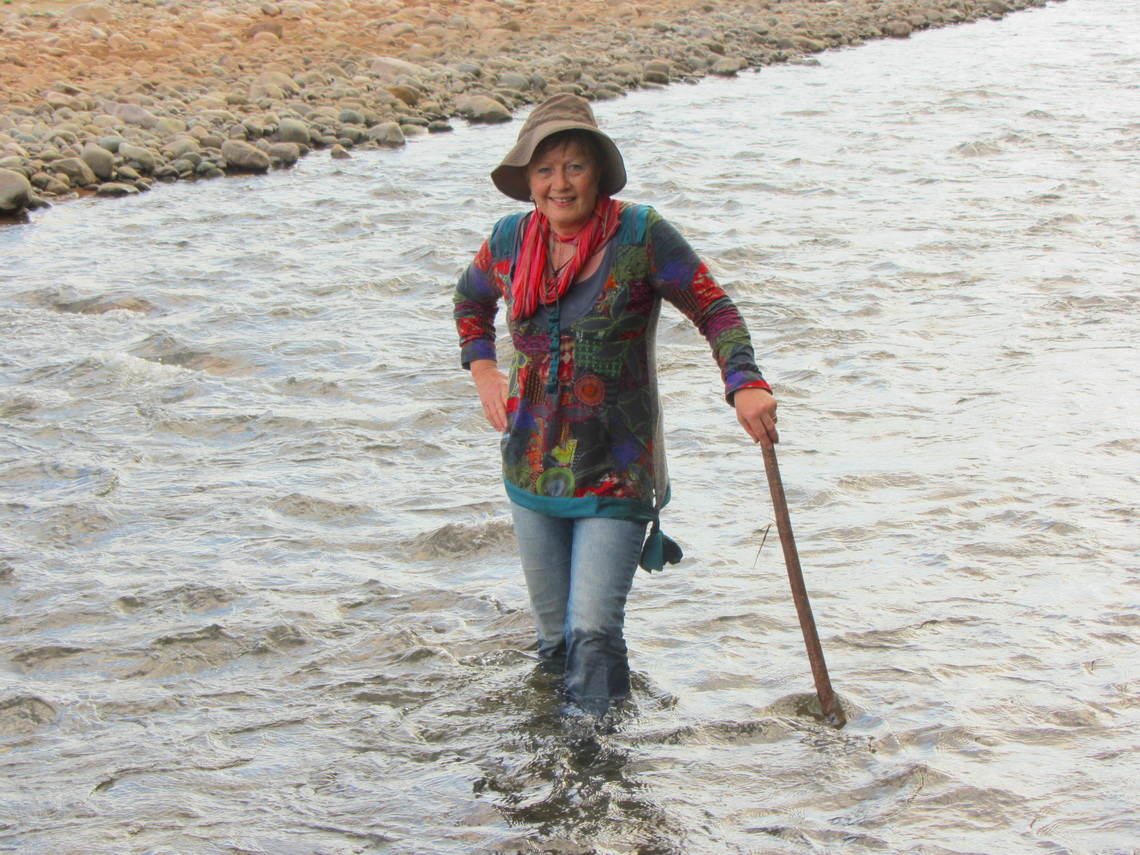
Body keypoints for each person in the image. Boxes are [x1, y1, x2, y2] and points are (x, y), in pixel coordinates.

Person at [452, 94, 778, 718]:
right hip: (530, 465)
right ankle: (554, 764)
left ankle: (603, 776)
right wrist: (485, 370)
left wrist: (745, 382)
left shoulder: (641, 234)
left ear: (598, 171)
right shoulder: (509, 239)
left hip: (618, 469)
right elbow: (470, 301)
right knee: (553, 643)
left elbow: (715, 308)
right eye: (544, 170)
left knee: (594, 631)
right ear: (527, 180)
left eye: (574, 166)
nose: (559, 183)